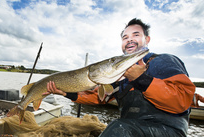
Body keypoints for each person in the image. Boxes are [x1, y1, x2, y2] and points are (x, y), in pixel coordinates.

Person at [44, 18, 195, 136]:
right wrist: (66, 93)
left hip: (168, 130)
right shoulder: (119, 74)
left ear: (147, 40)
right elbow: (98, 97)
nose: (129, 39)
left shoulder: (163, 61)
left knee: (119, 127)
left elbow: (183, 100)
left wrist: (142, 80)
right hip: (131, 128)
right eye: (125, 37)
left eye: (136, 35)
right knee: (118, 126)